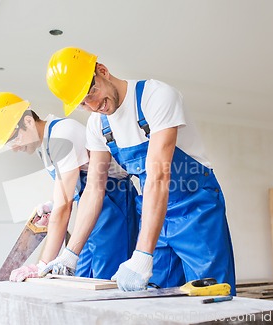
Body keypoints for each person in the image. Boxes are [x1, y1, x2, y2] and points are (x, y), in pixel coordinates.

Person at [42, 47, 236, 294]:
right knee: (160, 299)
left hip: (195, 209)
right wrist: (71, 254)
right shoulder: (97, 126)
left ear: (103, 71)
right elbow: (93, 190)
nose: (93, 105)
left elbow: (158, 175)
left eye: (91, 92)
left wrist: (143, 254)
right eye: (82, 103)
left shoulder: (155, 96)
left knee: (212, 293)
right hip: (154, 214)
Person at [0, 92, 139, 281]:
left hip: (114, 204)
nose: (14, 148)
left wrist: (42, 264)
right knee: (80, 276)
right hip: (90, 209)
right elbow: (66, 192)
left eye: (13, 138)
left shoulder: (62, 135)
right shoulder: (45, 145)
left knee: (104, 278)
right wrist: (52, 205)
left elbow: (65, 206)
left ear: (29, 122)